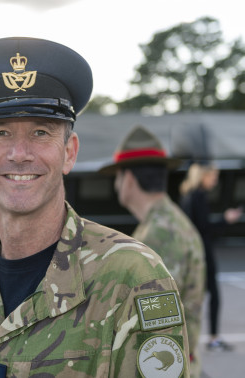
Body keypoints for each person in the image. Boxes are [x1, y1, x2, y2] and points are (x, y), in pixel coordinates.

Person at [0, 37, 190, 377]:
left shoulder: (132, 278)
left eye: (41, 133)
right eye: (0, 132)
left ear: (70, 152)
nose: (20, 153)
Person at [99, 125, 205, 377]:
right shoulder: (164, 223)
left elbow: (156, 326)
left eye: (117, 176)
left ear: (130, 180)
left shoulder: (159, 235)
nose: (116, 185)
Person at [180, 162, 243, 351]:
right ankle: (211, 338)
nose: (215, 181)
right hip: (202, 253)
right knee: (209, 295)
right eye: (212, 177)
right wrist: (226, 220)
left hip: (193, 252)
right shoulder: (198, 196)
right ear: (203, 176)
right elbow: (205, 229)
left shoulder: (188, 196)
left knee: (192, 296)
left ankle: (189, 339)